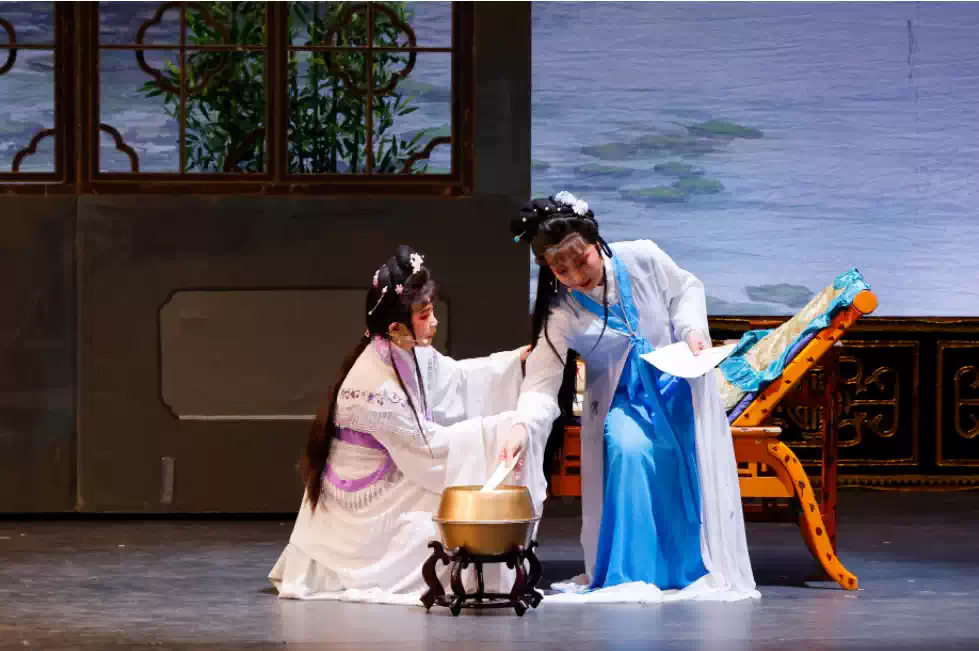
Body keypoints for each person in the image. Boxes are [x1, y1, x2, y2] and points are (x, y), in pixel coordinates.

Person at [504, 192, 758, 602]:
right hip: (622, 399)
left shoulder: (642, 258)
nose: (576, 276)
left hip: (677, 382)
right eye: (561, 269)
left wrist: (692, 331)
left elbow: (685, 290)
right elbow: (541, 382)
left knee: (685, 457)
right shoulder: (562, 312)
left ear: (596, 241)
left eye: (581, 260)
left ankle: (687, 568)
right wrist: (522, 426)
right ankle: (632, 573)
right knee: (629, 450)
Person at [269, 245, 547, 604]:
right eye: (425, 315)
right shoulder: (375, 387)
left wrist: (514, 362)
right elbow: (428, 453)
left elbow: (457, 380)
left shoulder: (404, 349)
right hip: (364, 507)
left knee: (463, 499)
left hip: (399, 470)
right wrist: (500, 429)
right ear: (396, 327)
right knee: (437, 523)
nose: (434, 322)